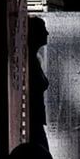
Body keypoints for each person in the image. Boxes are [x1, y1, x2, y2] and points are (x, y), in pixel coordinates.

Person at [28, 16, 50, 151]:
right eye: (43, 29)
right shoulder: (29, 61)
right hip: (31, 122)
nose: (47, 33)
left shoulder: (35, 59)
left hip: (35, 121)